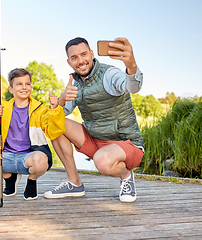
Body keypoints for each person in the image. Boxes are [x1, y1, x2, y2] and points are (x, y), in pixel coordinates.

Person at [44, 37, 144, 202]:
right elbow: (60, 113)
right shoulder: (74, 83)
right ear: (69, 62)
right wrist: (60, 101)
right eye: (74, 57)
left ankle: (126, 176)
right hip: (95, 140)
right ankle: (74, 183)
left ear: (91, 54)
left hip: (125, 143)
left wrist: (131, 66)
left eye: (84, 54)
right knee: (52, 122)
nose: (81, 61)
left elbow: (132, 87)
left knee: (102, 161)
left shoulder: (109, 74)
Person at [0, 68, 65, 200]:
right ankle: (9, 176)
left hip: (28, 157)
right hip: (6, 157)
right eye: (19, 84)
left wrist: (54, 110)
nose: (24, 87)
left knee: (41, 160)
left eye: (27, 83)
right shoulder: (2, 109)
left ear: (31, 86)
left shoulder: (40, 109)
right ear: (11, 89)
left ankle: (32, 181)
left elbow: (53, 132)